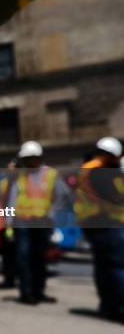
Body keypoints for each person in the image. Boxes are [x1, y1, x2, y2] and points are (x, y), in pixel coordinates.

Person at [7, 141, 68, 305]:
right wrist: (8, 224)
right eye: (25, 159)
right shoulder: (20, 176)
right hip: (22, 223)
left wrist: (52, 212)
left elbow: (63, 195)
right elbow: (12, 200)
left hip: (42, 223)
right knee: (24, 258)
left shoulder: (51, 174)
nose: (27, 162)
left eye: (29, 158)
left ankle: (38, 292)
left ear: (38, 158)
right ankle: (26, 293)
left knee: (39, 259)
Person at [74, 136, 124, 322]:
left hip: (93, 224)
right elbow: (113, 197)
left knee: (104, 267)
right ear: (110, 155)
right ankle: (119, 306)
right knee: (117, 266)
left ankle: (108, 306)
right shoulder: (99, 170)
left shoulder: (88, 169)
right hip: (107, 223)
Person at [0, 158, 17, 289]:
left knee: (19, 254)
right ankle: (9, 280)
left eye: (12, 168)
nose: (10, 171)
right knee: (7, 254)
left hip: (17, 223)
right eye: (8, 169)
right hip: (5, 224)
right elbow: (2, 203)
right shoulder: (3, 183)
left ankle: (17, 278)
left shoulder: (21, 183)